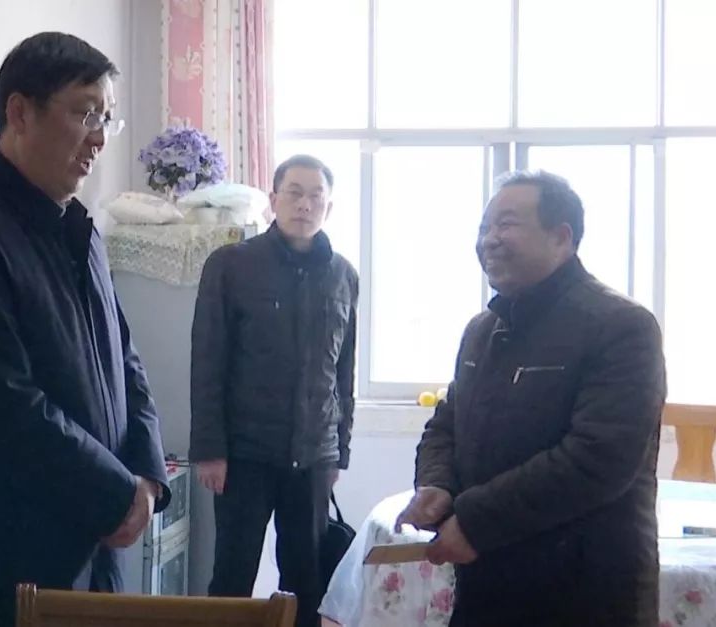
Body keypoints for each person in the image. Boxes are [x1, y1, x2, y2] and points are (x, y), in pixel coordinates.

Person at [0, 32, 170, 627]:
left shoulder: (78, 229)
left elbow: (126, 359)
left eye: (107, 119)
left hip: (93, 551)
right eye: (85, 113)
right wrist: (116, 493)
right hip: (5, 560)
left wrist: (147, 474)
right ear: (20, 113)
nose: (99, 137)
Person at [396, 170, 666, 626]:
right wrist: (436, 485)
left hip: (584, 591)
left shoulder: (621, 326)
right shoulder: (482, 330)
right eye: (484, 228)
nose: (489, 240)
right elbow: (446, 425)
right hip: (488, 583)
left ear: (562, 237)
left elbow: (597, 459)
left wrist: (476, 521)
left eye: (506, 224)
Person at [190, 155, 359, 627]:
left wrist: (339, 451)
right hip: (244, 453)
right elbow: (208, 361)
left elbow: (343, 371)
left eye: (316, 197)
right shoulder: (231, 265)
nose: (305, 205)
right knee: (233, 573)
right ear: (273, 200)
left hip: (314, 455)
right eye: (294, 193)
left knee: (306, 579)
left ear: (328, 207)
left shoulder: (343, 275)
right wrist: (210, 450)